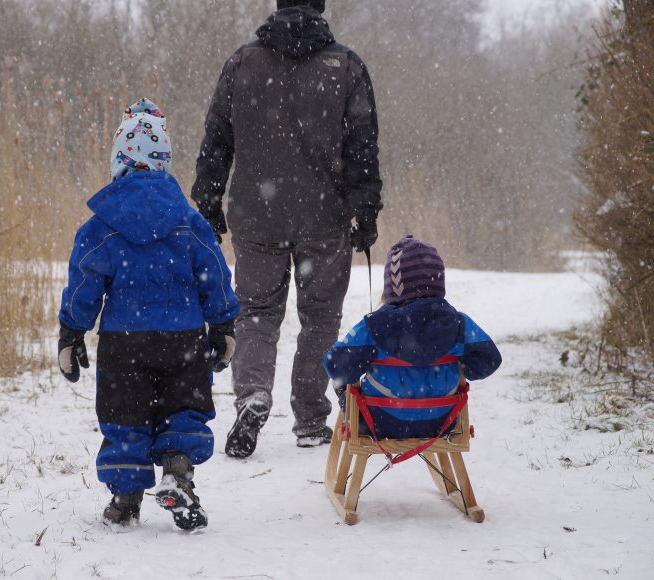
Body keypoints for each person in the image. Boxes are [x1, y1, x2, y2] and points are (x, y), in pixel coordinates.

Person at [191, 0, 383, 458]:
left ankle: (253, 394)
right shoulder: (346, 67)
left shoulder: (243, 63)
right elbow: (363, 147)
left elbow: (217, 137)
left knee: (256, 312)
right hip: (324, 215)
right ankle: (311, 418)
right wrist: (366, 210)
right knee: (319, 317)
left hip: (257, 212)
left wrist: (208, 203)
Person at [57, 98, 240, 530]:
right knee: (184, 408)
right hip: (184, 336)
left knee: (124, 415)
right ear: (164, 161)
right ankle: (178, 470)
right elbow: (213, 270)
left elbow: (85, 281)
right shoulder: (188, 220)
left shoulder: (101, 226)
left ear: (119, 160)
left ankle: (125, 497)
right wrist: (223, 323)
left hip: (125, 340)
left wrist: (72, 330)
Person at [323, 236, 502, 439]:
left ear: (392, 283)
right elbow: (490, 360)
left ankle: (355, 418)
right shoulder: (459, 323)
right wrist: (461, 367)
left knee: (342, 377)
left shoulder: (374, 325)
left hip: (380, 422)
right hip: (443, 421)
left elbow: (335, 365)